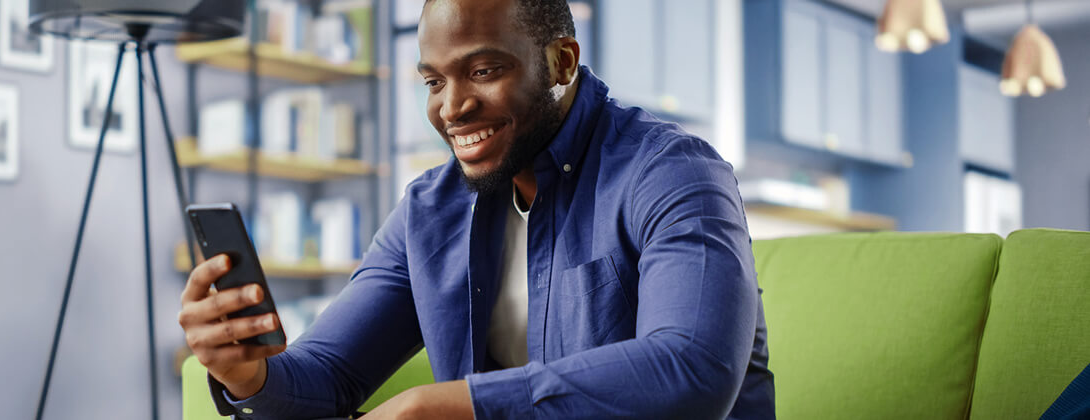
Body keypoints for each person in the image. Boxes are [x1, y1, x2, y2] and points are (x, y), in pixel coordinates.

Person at [178, 0, 774, 418]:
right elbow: (326, 377)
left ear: (561, 63)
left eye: (483, 70)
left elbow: (692, 372)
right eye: (434, 81)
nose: (453, 107)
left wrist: (455, 407)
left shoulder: (673, 172)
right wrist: (247, 375)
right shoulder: (428, 211)